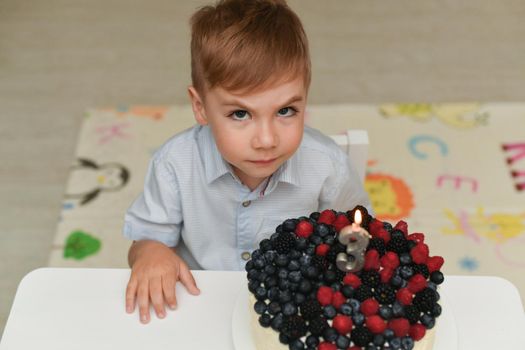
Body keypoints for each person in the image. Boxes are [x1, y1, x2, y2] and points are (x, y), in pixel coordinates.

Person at [123, 0, 371, 324]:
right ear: (200, 107)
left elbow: (361, 233)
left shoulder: (328, 169)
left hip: (295, 307)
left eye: (285, 111)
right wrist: (151, 253)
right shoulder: (175, 164)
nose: (266, 139)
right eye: (240, 114)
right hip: (198, 305)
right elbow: (146, 239)